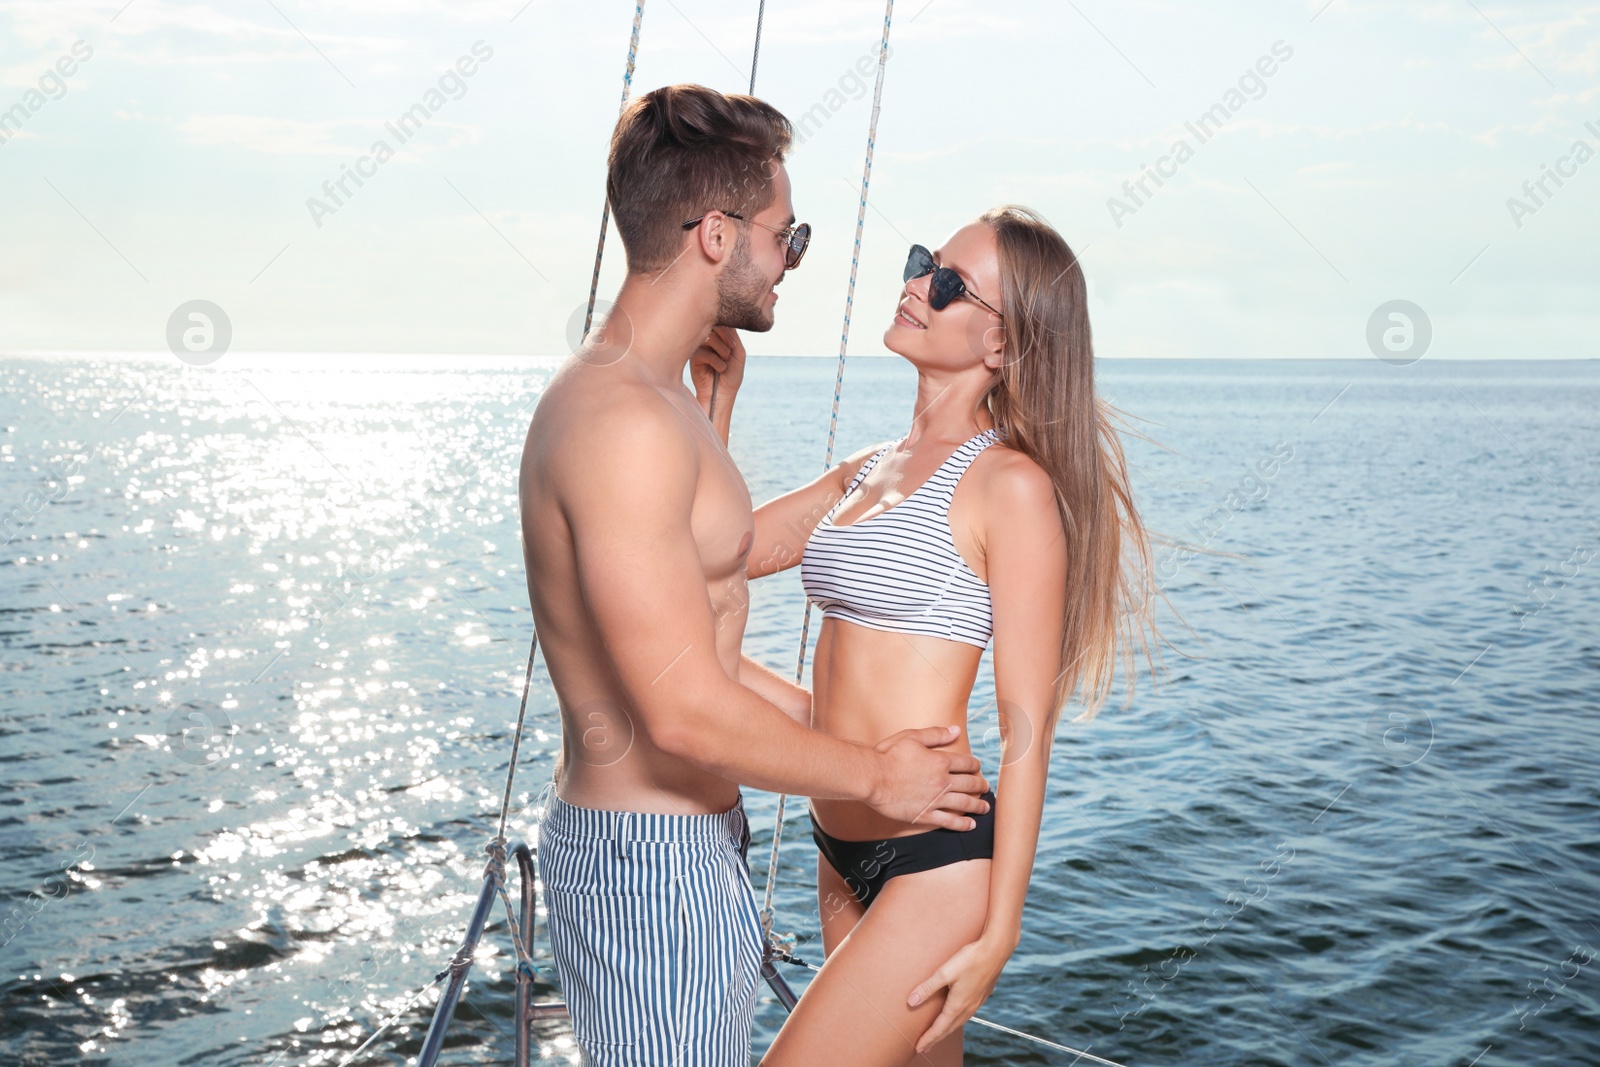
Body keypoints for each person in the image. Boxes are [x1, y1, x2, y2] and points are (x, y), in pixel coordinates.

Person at [517, 83, 992, 1067]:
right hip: (650, 860)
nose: (792, 260)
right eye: (788, 234)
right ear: (716, 236)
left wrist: (716, 412)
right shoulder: (625, 423)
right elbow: (683, 709)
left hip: (683, 847)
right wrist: (873, 775)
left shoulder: (657, 402)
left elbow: (692, 624)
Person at [700, 205, 1165, 1066]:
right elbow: (713, 555)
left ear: (1002, 347)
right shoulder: (865, 470)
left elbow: (1027, 726)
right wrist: (717, 413)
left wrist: (1001, 928)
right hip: (838, 843)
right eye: (924, 262)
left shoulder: (1007, 488)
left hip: (934, 864)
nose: (917, 283)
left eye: (949, 283)